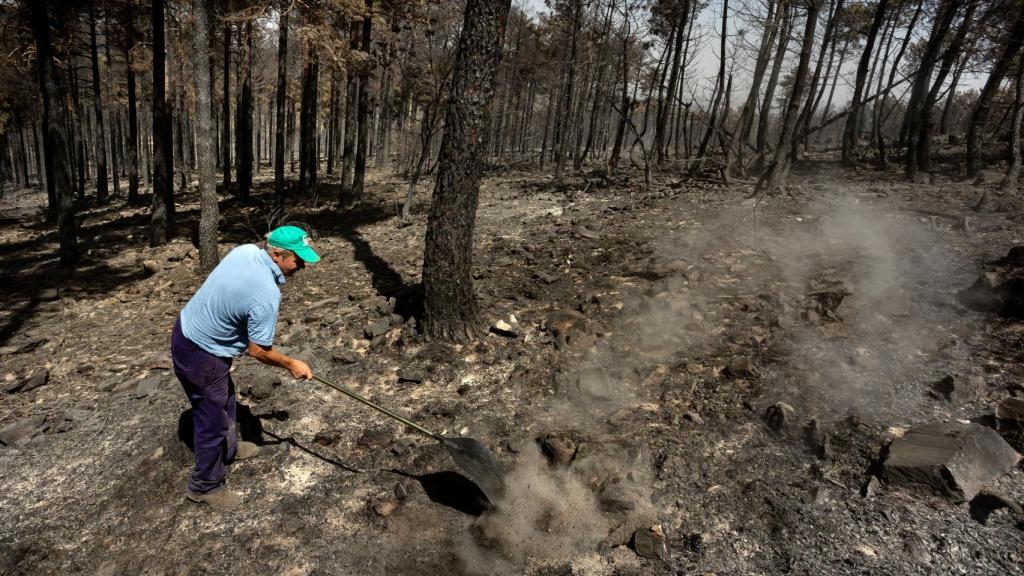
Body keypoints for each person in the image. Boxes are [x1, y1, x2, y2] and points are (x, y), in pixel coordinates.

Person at [171, 225, 320, 509]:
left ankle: (229, 449)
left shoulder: (246, 251)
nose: (302, 266)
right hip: (200, 352)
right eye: (297, 260)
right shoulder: (266, 294)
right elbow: (258, 350)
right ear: (276, 254)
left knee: (226, 396)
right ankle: (204, 485)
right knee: (211, 421)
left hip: (188, 331)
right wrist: (291, 364)